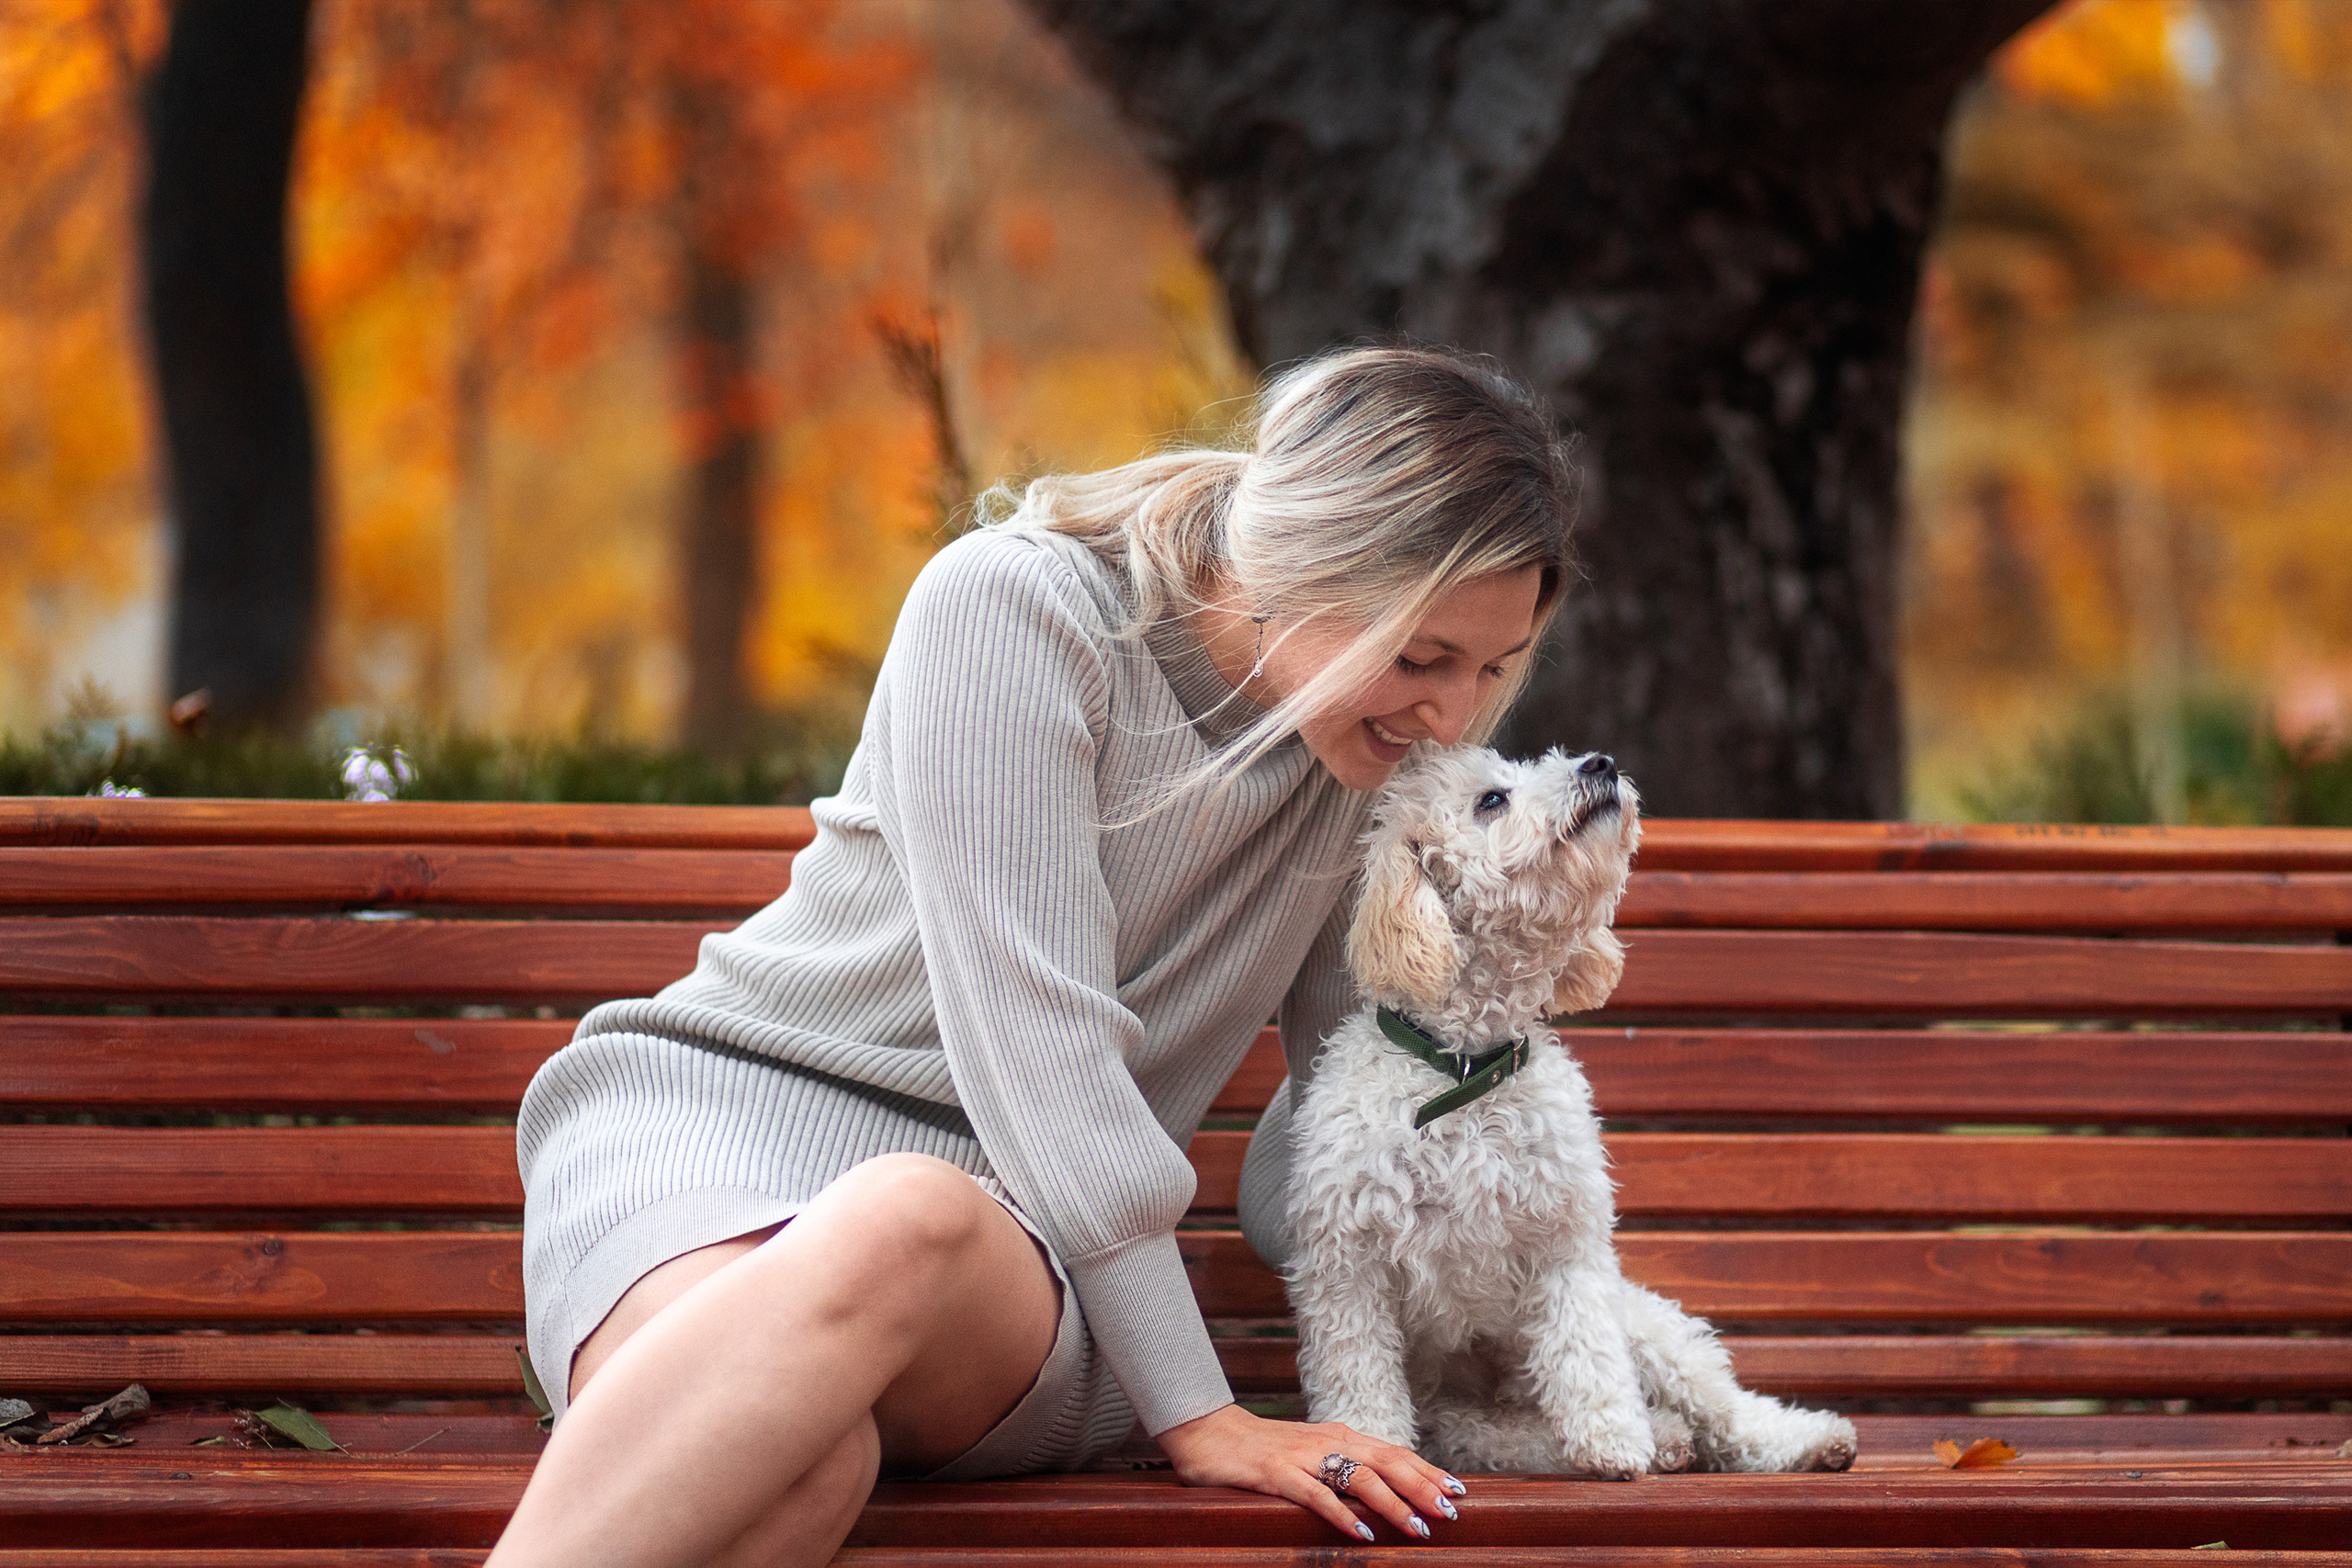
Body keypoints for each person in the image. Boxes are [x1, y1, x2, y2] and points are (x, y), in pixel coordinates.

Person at [486, 344, 1580, 1567]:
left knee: (904, 1225)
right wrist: (1201, 1414)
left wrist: (1482, 1127)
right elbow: (1040, 1046)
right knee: (805, 1464)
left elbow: (1346, 1116)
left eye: (1489, 670)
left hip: (1012, 1258)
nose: (1451, 717)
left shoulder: (1372, 756)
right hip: (716, 1132)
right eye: (1421, 656)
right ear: (1299, 562)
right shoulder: (1018, 612)